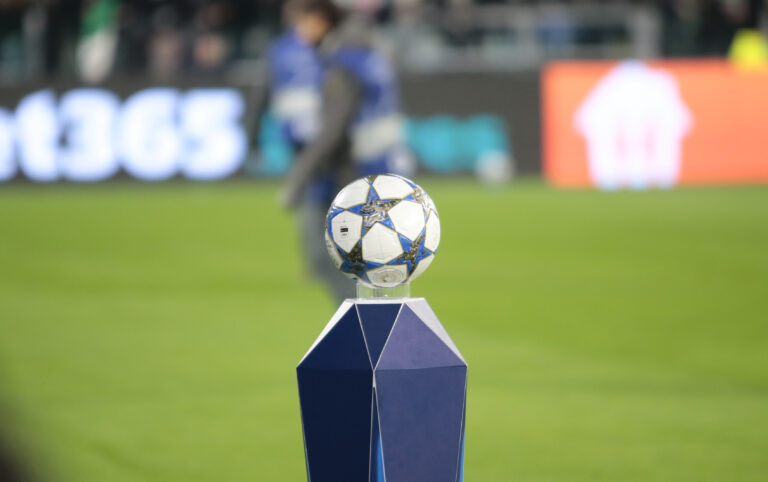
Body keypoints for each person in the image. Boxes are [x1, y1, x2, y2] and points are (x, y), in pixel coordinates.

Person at [278, 0, 412, 304]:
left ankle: (360, 327)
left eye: (304, 23)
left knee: (328, 259)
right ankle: (372, 325)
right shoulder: (371, 52)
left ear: (323, 21)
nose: (299, 32)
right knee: (373, 267)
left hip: (353, 176)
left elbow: (331, 131)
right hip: (385, 171)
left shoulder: (342, 64)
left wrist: (298, 179)